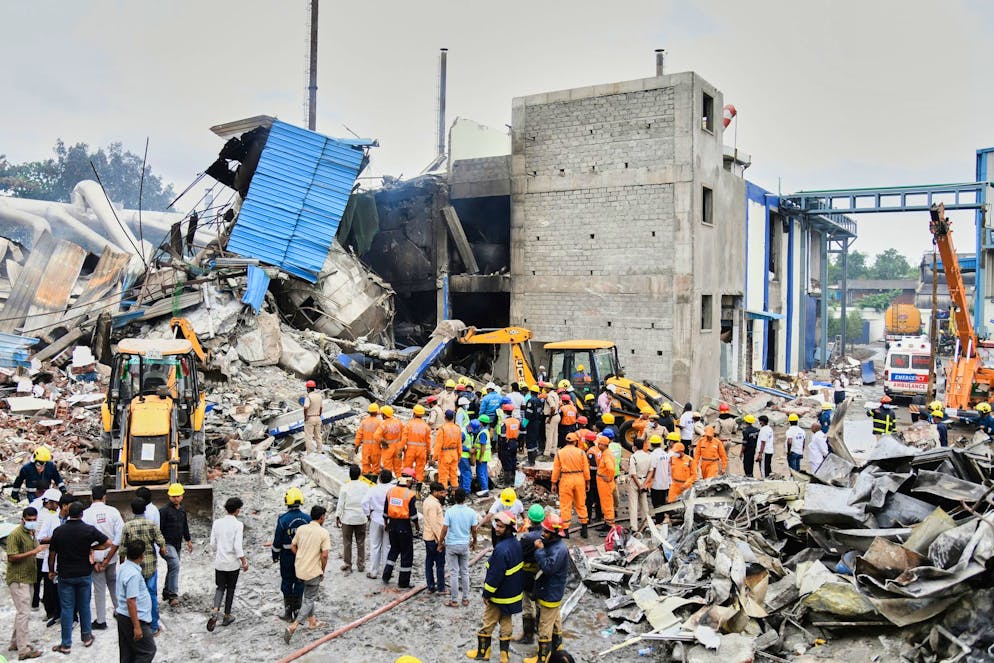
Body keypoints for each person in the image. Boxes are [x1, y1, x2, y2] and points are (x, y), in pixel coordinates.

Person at [48, 501, 111, 654]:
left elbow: (52, 555)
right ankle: (87, 637)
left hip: (65, 575)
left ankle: (66, 643)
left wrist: (51, 571)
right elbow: (108, 543)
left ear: (69, 513)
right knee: (84, 606)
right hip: (84, 573)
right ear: (82, 514)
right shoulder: (88, 530)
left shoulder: (59, 531)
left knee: (67, 609)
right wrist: (92, 548)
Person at [466, 511, 523, 662]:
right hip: (512, 595)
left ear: (509, 528)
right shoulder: (516, 544)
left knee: (488, 622)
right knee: (506, 623)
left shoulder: (501, 549)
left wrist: (486, 594)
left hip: (499, 596)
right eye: (496, 525)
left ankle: (483, 652)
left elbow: (494, 576)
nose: (497, 529)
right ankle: (504, 655)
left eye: (501, 527)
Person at [523, 513, 569, 663]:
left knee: (544, 624)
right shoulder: (554, 545)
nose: (543, 534)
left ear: (555, 533)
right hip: (551, 590)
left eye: (547, 532)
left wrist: (540, 550)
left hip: (551, 592)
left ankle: (542, 657)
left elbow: (548, 568)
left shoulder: (559, 549)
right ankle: (557, 646)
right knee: (555, 620)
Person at [119, 498, 169, 636]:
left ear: (132, 510)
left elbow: (122, 549)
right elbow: (161, 543)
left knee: (134, 596)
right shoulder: (151, 525)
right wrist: (164, 552)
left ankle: (137, 623)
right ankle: (153, 626)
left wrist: (122, 565)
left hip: (134, 566)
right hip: (150, 565)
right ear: (145, 510)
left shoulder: (127, 526)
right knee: (151, 595)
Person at [284, 505, 331, 643]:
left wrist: (300, 556)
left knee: (308, 595)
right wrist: (322, 570)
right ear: (322, 517)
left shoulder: (301, 529)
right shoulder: (323, 533)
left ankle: (312, 622)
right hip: (313, 571)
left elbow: (293, 546)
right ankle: (294, 626)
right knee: (309, 599)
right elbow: (325, 555)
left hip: (300, 569)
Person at [83, 485, 123, 630]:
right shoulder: (113, 512)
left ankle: (101, 620)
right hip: (111, 557)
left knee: (99, 589)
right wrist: (108, 559)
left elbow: (85, 540)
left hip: (95, 559)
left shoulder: (86, 514)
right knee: (113, 584)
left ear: (91, 497)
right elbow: (119, 537)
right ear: (105, 497)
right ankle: (120, 611)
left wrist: (94, 560)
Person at [6, 506, 43, 660]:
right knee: (24, 614)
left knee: (22, 612)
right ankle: (23, 650)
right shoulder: (15, 535)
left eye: (34, 520)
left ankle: (16, 642)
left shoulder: (31, 532)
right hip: (18, 578)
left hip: (29, 577)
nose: (32, 522)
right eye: (29, 520)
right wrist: (33, 552)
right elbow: (12, 557)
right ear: (23, 519)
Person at [207, 497, 248, 631]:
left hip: (219, 562)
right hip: (232, 564)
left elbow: (212, 544)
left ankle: (215, 610)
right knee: (230, 589)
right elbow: (237, 546)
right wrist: (244, 561)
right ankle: (227, 615)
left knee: (220, 587)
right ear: (237, 510)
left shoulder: (217, 523)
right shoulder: (238, 525)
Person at [272, 487, 311, 621]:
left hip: (287, 556)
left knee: (287, 581)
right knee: (300, 581)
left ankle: (288, 613)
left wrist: (275, 555)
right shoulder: (308, 518)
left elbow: (277, 540)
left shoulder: (283, 520)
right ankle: (298, 610)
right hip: (303, 556)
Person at [116, 541, 156, 663]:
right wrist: (137, 627)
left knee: (128, 653)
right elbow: (131, 601)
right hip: (134, 618)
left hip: (124, 616)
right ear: (142, 555)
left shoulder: (124, 567)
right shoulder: (133, 574)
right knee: (148, 651)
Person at [440, 488, 479, 608]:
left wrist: (440, 542)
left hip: (452, 544)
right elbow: (474, 529)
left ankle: (454, 600)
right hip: (464, 544)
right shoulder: (471, 512)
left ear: (455, 498)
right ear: (465, 498)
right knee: (465, 572)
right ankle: (466, 599)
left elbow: (444, 529)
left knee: (453, 573)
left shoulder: (449, 511)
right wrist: (474, 541)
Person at [382, 469, 420, 589]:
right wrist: (417, 526)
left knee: (393, 550)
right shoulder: (409, 494)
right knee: (406, 554)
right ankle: (403, 582)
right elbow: (413, 515)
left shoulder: (390, 491)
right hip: (404, 526)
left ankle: (386, 575)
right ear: (408, 480)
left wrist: (386, 524)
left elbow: (385, 511)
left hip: (392, 524)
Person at [517, 504, 546, 646]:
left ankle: (527, 635)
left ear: (529, 519)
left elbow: (519, 554)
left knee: (527, 605)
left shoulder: (527, 538)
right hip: (542, 574)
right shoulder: (546, 534)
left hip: (527, 575)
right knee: (540, 605)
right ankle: (541, 632)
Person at [159, 483, 192, 607]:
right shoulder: (163, 511)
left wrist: (188, 540)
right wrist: (161, 545)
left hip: (177, 544)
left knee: (173, 567)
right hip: (167, 544)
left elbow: (185, 526)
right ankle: (173, 595)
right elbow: (159, 529)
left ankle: (167, 591)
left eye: (178, 496)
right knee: (175, 565)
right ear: (169, 497)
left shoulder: (182, 510)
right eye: (174, 496)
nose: (176, 498)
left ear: (182, 496)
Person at [552, 432, 590, 538]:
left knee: (565, 505)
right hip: (579, 478)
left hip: (566, 479)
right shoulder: (581, 452)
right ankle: (584, 528)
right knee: (581, 503)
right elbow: (586, 469)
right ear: (575, 441)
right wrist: (587, 481)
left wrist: (554, 483)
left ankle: (566, 530)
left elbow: (556, 470)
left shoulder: (560, 453)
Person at [33, 489, 62, 621]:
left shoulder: (42, 513)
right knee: (49, 585)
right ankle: (50, 610)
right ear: (50, 502)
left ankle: (45, 608)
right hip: (45, 554)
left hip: (43, 554)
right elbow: (41, 537)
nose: (57, 506)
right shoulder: (47, 516)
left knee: (43, 583)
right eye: (56, 503)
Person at [335, 464, 369, 574]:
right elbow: (368, 502)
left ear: (349, 475)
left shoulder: (345, 487)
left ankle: (348, 564)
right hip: (361, 517)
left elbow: (341, 504)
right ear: (359, 474)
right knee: (361, 542)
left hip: (347, 519)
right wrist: (368, 514)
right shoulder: (365, 486)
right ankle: (361, 564)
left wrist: (338, 516)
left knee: (347, 542)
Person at [362, 470, 394, 579]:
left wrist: (367, 514)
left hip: (376, 517)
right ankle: (386, 571)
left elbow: (364, 502)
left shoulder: (373, 489)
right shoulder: (393, 489)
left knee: (375, 545)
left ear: (379, 478)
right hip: (389, 519)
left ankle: (373, 571)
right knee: (387, 546)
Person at [421, 482, 446, 594]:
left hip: (428, 537)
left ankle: (430, 586)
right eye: (441, 492)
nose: (443, 495)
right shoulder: (433, 504)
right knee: (440, 564)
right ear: (435, 492)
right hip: (434, 538)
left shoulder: (427, 501)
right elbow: (434, 524)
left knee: (429, 562)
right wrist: (440, 541)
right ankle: (441, 588)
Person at [402, 404, 432, 490]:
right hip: (421, 451)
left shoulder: (409, 424)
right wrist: (428, 453)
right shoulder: (426, 427)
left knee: (407, 469)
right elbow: (428, 442)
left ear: (414, 413)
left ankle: (407, 488)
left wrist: (401, 449)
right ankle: (418, 492)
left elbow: (404, 438)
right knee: (420, 470)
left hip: (410, 450)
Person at [627, 434, 653, 531]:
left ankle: (634, 527)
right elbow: (651, 471)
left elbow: (633, 474)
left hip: (635, 482)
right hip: (644, 480)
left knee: (633, 505)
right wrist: (644, 484)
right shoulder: (648, 456)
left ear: (635, 447)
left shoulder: (633, 457)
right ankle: (646, 524)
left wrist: (639, 485)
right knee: (644, 504)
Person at [434, 410, 462, 491]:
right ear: (453, 418)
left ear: (445, 418)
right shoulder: (457, 428)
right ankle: (454, 494)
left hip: (445, 454)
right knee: (454, 475)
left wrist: (434, 457)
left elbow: (438, 445)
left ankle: (444, 494)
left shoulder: (442, 429)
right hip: (454, 454)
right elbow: (459, 444)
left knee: (443, 476)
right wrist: (459, 455)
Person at [646, 434, 672, 521]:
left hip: (656, 484)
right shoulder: (665, 454)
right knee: (662, 502)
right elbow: (669, 470)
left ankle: (659, 520)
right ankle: (661, 519)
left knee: (656, 503)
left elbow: (652, 470)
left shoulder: (653, 455)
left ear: (651, 444)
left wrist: (647, 482)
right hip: (665, 483)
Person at [594, 434, 617, 533]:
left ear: (604, 445)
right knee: (606, 504)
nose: (598, 446)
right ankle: (607, 522)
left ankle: (609, 525)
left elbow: (611, 468)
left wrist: (609, 478)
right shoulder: (606, 453)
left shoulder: (607, 455)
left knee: (607, 505)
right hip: (604, 483)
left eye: (600, 444)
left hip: (605, 483)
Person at [495, 403, 521, 488]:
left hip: (506, 444)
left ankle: (506, 484)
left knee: (506, 463)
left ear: (504, 411)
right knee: (513, 461)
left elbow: (502, 436)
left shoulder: (504, 422)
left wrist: (501, 448)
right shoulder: (517, 421)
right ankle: (513, 482)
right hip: (514, 443)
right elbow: (523, 431)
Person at [375, 405, 405, 477]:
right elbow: (404, 435)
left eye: (382, 413)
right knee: (398, 468)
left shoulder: (383, 424)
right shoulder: (398, 422)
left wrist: (382, 441)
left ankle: (388, 482)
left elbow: (376, 435)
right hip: (398, 447)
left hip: (388, 448)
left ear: (384, 415)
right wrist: (402, 447)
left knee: (387, 468)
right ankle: (399, 481)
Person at [354, 403, 382, 477]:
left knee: (365, 465)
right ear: (377, 412)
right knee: (376, 467)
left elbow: (359, 435)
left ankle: (366, 481)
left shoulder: (364, 422)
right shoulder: (380, 423)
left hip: (366, 448)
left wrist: (356, 446)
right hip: (376, 448)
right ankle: (373, 482)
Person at [523, 384, 544, 466]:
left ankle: (531, 461)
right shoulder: (539, 401)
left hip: (531, 423)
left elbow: (528, 414)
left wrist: (524, 424)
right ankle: (533, 459)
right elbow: (541, 413)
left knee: (530, 441)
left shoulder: (531, 401)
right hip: (537, 423)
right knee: (535, 441)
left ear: (531, 392)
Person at [584, 431, 602, 523]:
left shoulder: (591, 451)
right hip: (599, 476)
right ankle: (599, 516)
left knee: (589, 499)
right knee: (598, 497)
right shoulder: (598, 449)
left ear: (587, 441)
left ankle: (588, 518)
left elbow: (592, 465)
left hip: (592, 476)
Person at [474, 415, 494, 496]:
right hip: (485, 455)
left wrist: (481, 457)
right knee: (484, 473)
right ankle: (485, 489)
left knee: (481, 473)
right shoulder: (486, 431)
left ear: (481, 423)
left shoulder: (482, 433)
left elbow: (483, 445)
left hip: (482, 456)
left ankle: (484, 490)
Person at [302, 379, 323, 453]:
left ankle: (309, 453)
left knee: (309, 437)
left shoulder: (308, 397)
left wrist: (305, 417)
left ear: (308, 388)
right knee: (318, 436)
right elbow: (321, 408)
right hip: (318, 417)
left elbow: (305, 407)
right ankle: (319, 451)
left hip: (310, 418)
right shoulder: (319, 396)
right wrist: (319, 415)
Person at [542, 384, 562, 458]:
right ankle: (553, 451)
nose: (544, 389)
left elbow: (552, 408)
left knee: (549, 435)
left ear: (548, 388)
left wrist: (549, 418)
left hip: (552, 417)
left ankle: (547, 453)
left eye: (545, 388)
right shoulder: (555, 394)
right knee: (554, 435)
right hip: (557, 416)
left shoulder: (549, 396)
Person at [460, 421, 477, 494]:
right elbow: (458, 445)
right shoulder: (463, 433)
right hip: (463, 456)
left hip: (466, 456)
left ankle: (461, 491)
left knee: (463, 475)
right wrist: (468, 449)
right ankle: (466, 492)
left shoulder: (470, 433)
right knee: (467, 474)